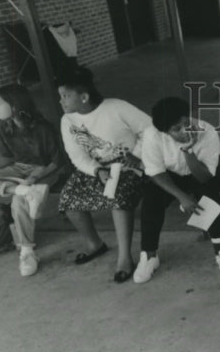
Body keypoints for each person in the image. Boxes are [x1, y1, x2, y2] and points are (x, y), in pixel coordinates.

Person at [0, 84, 70, 277]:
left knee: (18, 203)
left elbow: (56, 162)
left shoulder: (42, 127)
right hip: (17, 170)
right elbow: (7, 158)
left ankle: (27, 252)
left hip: (43, 170)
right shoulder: (4, 126)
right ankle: (22, 190)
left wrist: (34, 177)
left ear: (14, 104)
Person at [55, 66, 151, 282]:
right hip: (97, 169)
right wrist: (97, 170)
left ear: (84, 97)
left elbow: (150, 128)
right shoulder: (67, 121)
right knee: (68, 198)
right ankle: (93, 243)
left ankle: (125, 257)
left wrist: (136, 155)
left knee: (119, 198)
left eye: (65, 96)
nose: (61, 101)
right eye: (60, 96)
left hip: (130, 167)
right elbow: (76, 156)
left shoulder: (116, 108)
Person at [134, 96, 220, 283]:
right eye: (176, 129)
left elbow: (204, 177)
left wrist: (188, 149)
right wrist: (182, 197)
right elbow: (155, 172)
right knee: (151, 199)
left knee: (210, 196)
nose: (185, 129)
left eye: (186, 122)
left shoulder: (207, 131)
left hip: (203, 168)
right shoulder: (152, 135)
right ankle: (149, 256)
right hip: (170, 171)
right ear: (165, 132)